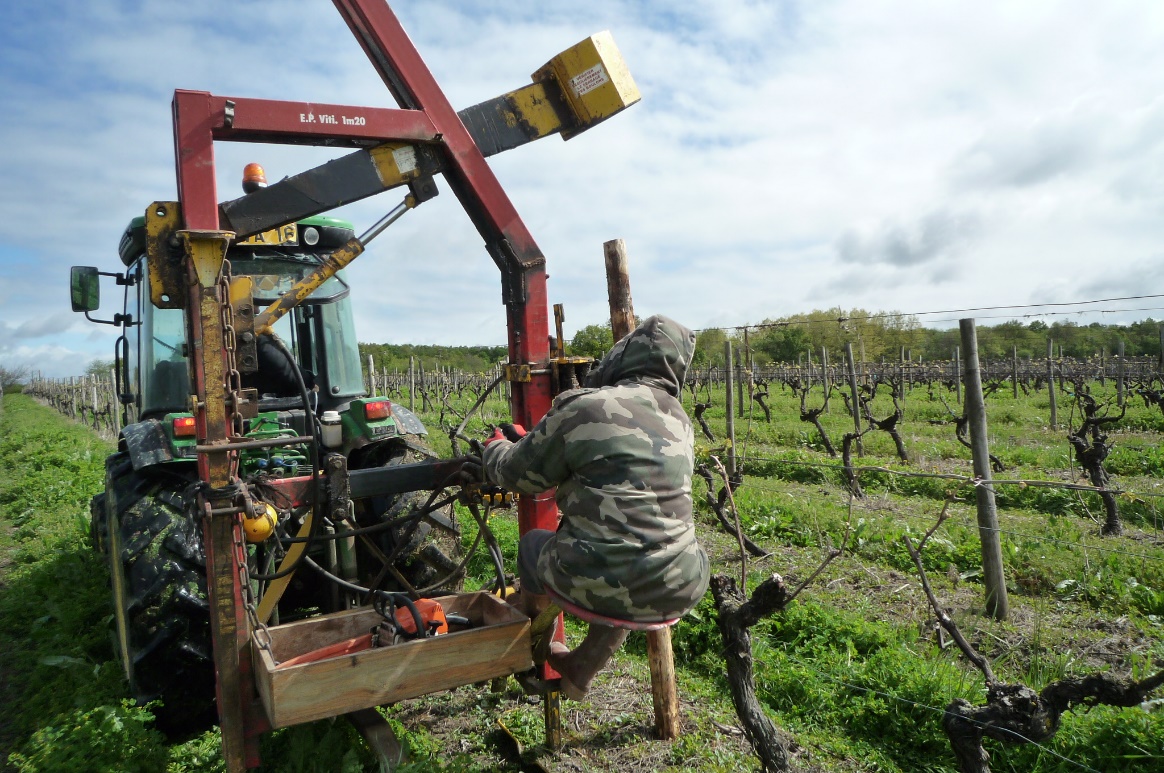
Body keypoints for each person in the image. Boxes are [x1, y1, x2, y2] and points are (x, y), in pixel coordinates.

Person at [482, 315, 709, 700]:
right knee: (636, 560)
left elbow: (519, 476)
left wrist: (496, 450)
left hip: (593, 571)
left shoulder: (586, 406)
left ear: (625, 356)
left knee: (534, 546)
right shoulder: (681, 420)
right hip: (682, 583)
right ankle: (579, 671)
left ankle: (534, 644)